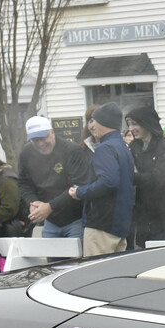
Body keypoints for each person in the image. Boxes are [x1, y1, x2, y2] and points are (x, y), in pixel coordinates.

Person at [70, 102, 136, 257]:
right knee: (116, 275)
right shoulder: (122, 146)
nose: (92, 127)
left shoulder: (104, 148)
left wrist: (79, 192)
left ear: (103, 122)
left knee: (97, 276)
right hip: (120, 224)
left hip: (102, 225)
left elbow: (108, 181)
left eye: (94, 121)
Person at [19, 116, 93, 241]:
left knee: (76, 260)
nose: (40, 144)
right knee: (53, 260)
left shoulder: (72, 150)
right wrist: (33, 202)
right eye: (35, 140)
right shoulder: (27, 153)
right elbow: (23, 182)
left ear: (52, 132)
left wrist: (50, 206)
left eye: (43, 138)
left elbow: (78, 185)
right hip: (50, 221)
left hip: (75, 219)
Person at [125, 104, 165, 249]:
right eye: (129, 124)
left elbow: (159, 178)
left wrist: (130, 177)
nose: (131, 128)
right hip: (144, 214)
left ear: (147, 123)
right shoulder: (134, 147)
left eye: (135, 123)